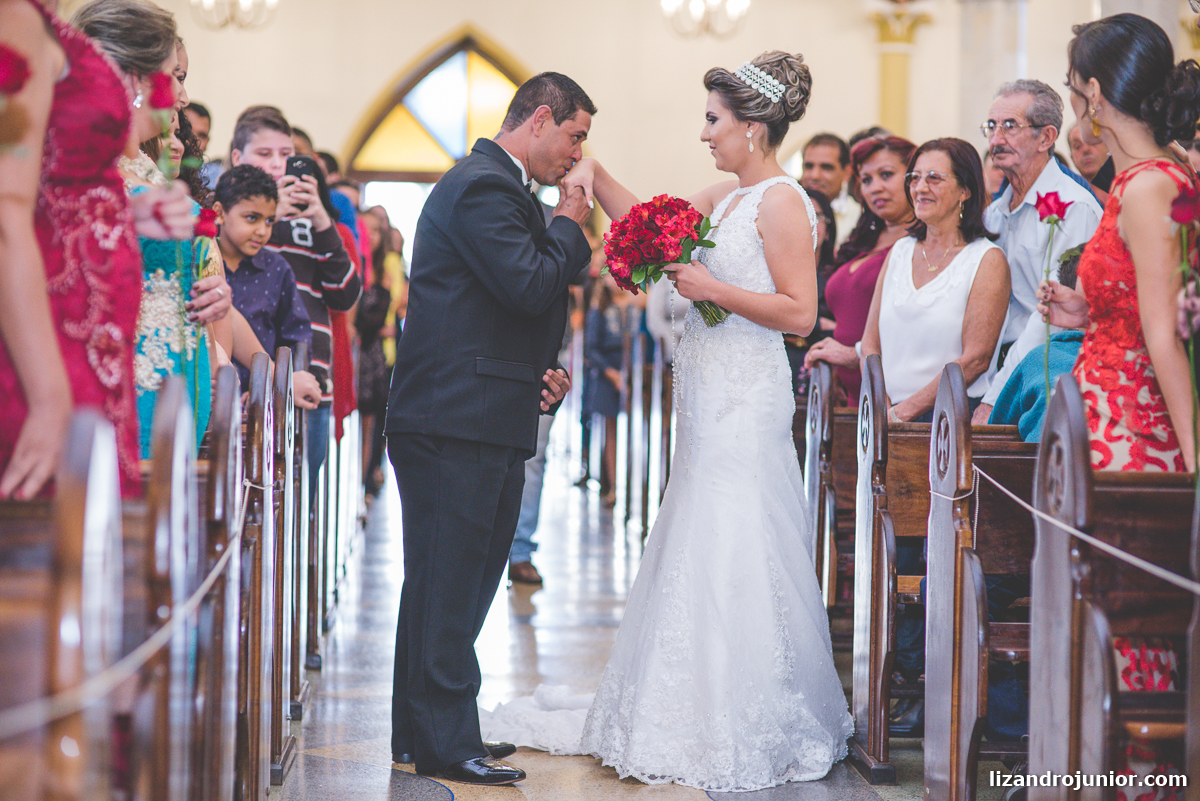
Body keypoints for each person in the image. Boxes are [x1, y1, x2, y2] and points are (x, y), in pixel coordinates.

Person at [492, 50, 854, 791]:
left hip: (745, 395)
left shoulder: (784, 202)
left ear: (752, 128)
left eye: (714, 121)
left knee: (735, 531)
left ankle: (738, 708)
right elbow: (654, 227)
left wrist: (714, 285)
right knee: (695, 526)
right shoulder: (727, 197)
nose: (704, 134)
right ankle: (678, 696)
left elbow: (801, 312)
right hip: (706, 392)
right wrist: (592, 175)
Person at [383, 71, 593, 786]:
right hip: (456, 417)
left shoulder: (500, 188)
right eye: (574, 135)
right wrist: (568, 216)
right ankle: (446, 740)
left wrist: (543, 366)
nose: (576, 155)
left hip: (479, 407)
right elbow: (532, 281)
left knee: (447, 580)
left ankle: (422, 729)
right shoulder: (484, 184)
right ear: (539, 119)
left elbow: (514, 299)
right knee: (454, 581)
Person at [0, 0, 193, 499]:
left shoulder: (47, 25)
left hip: (95, 329)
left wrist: (123, 216)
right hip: (55, 325)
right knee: (62, 516)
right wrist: (47, 397)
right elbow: (6, 211)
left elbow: (53, 185)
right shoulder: (14, 17)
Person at [74, 0, 233, 459]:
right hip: (129, 393)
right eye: (174, 78)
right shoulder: (88, 167)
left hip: (178, 395)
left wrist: (213, 298)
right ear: (133, 78)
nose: (183, 99)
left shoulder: (146, 169)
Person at [229, 105, 362, 498]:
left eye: (285, 155)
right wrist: (268, 221)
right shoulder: (230, 218)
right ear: (238, 159)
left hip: (310, 376)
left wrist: (322, 220)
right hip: (245, 374)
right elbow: (232, 277)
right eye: (264, 154)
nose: (276, 166)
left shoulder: (316, 224)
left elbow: (345, 295)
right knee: (248, 494)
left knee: (302, 498)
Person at [971, 79, 1102, 424]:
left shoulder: (1073, 208)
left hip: (1042, 375)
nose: (996, 139)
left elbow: (1052, 315)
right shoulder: (994, 214)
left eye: (1010, 126)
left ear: (1045, 137)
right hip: (991, 370)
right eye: (992, 126)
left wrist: (993, 398)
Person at [803, 135, 917, 403]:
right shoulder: (862, 241)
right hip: (849, 397)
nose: (875, 188)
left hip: (895, 398)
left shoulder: (923, 245)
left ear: (914, 178)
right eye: (866, 180)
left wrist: (851, 354)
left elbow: (918, 333)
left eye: (886, 175)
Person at [214, 164, 320, 406]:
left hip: (263, 401)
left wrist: (278, 387)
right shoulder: (200, 259)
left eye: (269, 221)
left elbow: (296, 336)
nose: (262, 231)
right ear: (219, 213)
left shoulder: (276, 268)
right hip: (212, 396)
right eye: (252, 218)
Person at [800, 131, 859, 245]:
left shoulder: (858, 219)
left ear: (847, 172)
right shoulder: (787, 209)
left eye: (826, 167)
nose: (815, 175)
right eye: (809, 166)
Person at [1066, 121, 1110, 203]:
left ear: (1108, 147)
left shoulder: (1129, 186)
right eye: (1078, 146)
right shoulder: (1069, 199)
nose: (1086, 150)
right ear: (1072, 158)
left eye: (1092, 142)